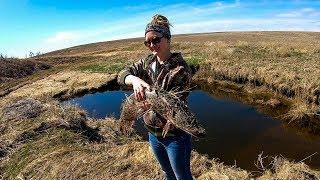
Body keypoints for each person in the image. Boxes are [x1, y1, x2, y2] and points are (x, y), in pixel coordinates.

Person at [117, 14, 193, 180]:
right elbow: (122, 74)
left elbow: (174, 106)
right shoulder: (147, 62)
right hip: (153, 134)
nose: (152, 45)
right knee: (167, 173)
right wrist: (134, 80)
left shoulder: (181, 69)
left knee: (183, 177)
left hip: (175, 137)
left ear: (167, 38)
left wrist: (147, 105)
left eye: (156, 40)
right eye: (147, 42)